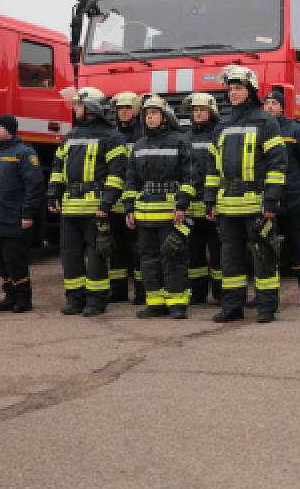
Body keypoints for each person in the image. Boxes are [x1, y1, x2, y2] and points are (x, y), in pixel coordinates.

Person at [204, 66, 288, 324]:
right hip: (227, 205)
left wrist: (271, 199)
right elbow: (212, 167)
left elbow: (277, 163)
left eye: (238, 88)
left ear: (250, 91)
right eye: (230, 88)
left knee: (263, 256)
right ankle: (232, 306)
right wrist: (210, 200)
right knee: (229, 259)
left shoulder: (266, 121)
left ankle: (266, 307)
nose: (233, 93)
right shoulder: (222, 126)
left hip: (257, 204)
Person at [50, 87, 127, 317]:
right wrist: (53, 193)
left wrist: (106, 204)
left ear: (91, 107)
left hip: (96, 208)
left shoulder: (112, 137)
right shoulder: (71, 136)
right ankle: (75, 299)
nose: (74, 109)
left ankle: (96, 300)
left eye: (78, 105)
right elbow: (57, 167)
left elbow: (117, 175)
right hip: (70, 207)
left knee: (97, 257)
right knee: (70, 255)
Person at [121, 95, 197, 318]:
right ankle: (155, 303)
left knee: (173, 257)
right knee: (148, 259)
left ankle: (177, 304)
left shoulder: (179, 141)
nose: (150, 117)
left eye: (154, 113)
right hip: (145, 215)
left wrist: (182, 206)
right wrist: (129, 208)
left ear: (165, 117)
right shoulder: (140, 145)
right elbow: (131, 180)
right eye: (146, 114)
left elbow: (190, 177)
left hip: (171, 214)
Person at [0, 115, 45, 313]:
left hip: (13, 218)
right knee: (0, 263)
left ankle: (24, 298)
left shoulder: (24, 153)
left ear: (10, 129)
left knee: (14, 261)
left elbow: (34, 186)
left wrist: (27, 214)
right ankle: (10, 296)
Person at [263, 87, 300, 307]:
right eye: (266, 104)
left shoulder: (296, 131)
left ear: (282, 107)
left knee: (298, 246)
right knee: (267, 249)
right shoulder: (260, 131)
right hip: (268, 200)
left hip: (292, 199)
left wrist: (299, 188)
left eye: (273, 104)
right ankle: (269, 296)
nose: (269, 107)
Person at [184, 92, 222, 303]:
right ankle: (197, 293)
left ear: (211, 112)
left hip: (212, 204)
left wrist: (213, 201)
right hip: (191, 205)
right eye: (195, 110)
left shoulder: (217, 135)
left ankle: (220, 293)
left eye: (202, 110)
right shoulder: (185, 137)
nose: (198, 114)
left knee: (218, 252)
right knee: (194, 253)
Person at [109, 91, 144, 304]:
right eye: (120, 109)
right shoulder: (112, 135)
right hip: (115, 201)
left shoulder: (143, 135)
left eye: (127, 109)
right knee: (116, 250)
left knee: (138, 250)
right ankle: (118, 290)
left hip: (137, 201)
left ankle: (141, 292)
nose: (123, 113)